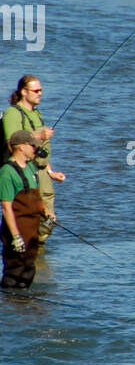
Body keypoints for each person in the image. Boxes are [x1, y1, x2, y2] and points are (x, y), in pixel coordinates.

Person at [2, 75, 65, 243]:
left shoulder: (37, 114)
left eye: (41, 91)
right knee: (30, 216)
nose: (40, 94)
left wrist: (51, 171)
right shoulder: (12, 113)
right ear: (24, 92)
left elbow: (39, 150)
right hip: (25, 171)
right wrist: (39, 135)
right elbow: (12, 144)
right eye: (36, 91)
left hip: (41, 171)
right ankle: (27, 249)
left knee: (48, 217)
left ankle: (38, 253)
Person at [0, 130, 47, 290]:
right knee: (14, 274)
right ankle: (10, 308)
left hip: (32, 231)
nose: (35, 149)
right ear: (21, 147)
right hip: (17, 231)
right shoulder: (7, 172)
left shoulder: (31, 168)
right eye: (32, 145)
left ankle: (26, 308)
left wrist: (45, 211)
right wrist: (15, 236)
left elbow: (36, 196)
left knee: (28, 270)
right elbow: (6, 207)